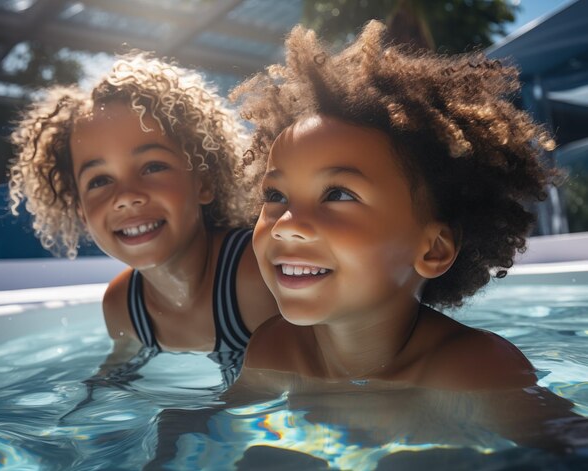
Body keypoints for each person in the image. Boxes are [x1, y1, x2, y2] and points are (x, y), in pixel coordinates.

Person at [221, 20, 588, 457]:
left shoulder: (473, 371)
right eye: (275, 195)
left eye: (337, 194)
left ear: (432, 249)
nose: (286, 224)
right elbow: (217, 438)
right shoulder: (274, 350)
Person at [8, 52, 278, 386]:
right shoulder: (123, 306)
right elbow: (112, 382)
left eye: (152, 167)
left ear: (203, 182)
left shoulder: (253, 277)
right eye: (100, 181)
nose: (126, 196)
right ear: (80, 210)